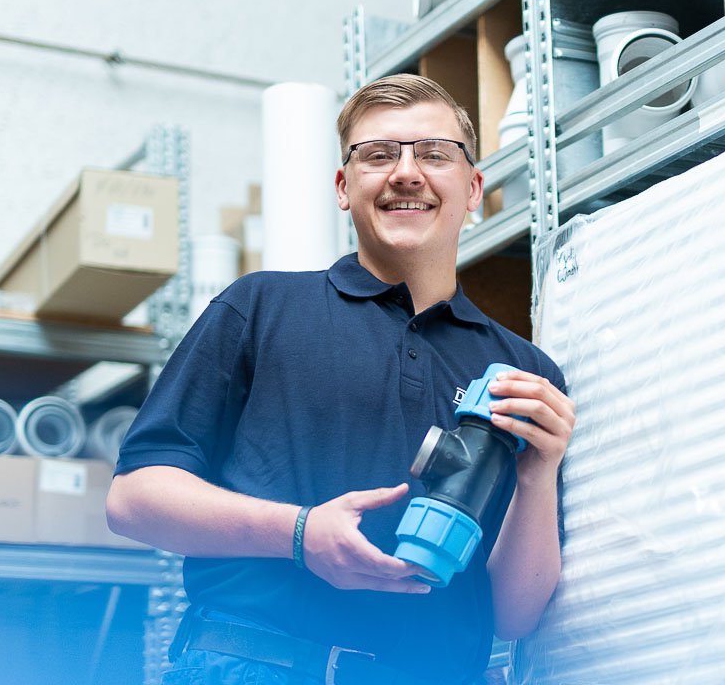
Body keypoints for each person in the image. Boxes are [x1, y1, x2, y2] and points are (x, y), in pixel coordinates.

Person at [107, 74, 575, 685]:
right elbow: (132, 499)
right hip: (253, 668)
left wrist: (537, 475)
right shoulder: (260, 309)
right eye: (378, 155)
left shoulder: (524, 374)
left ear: (474, 189)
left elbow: (514, 617)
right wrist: (300, 534)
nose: (407, 173)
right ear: (343, 188)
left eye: (434, 154)